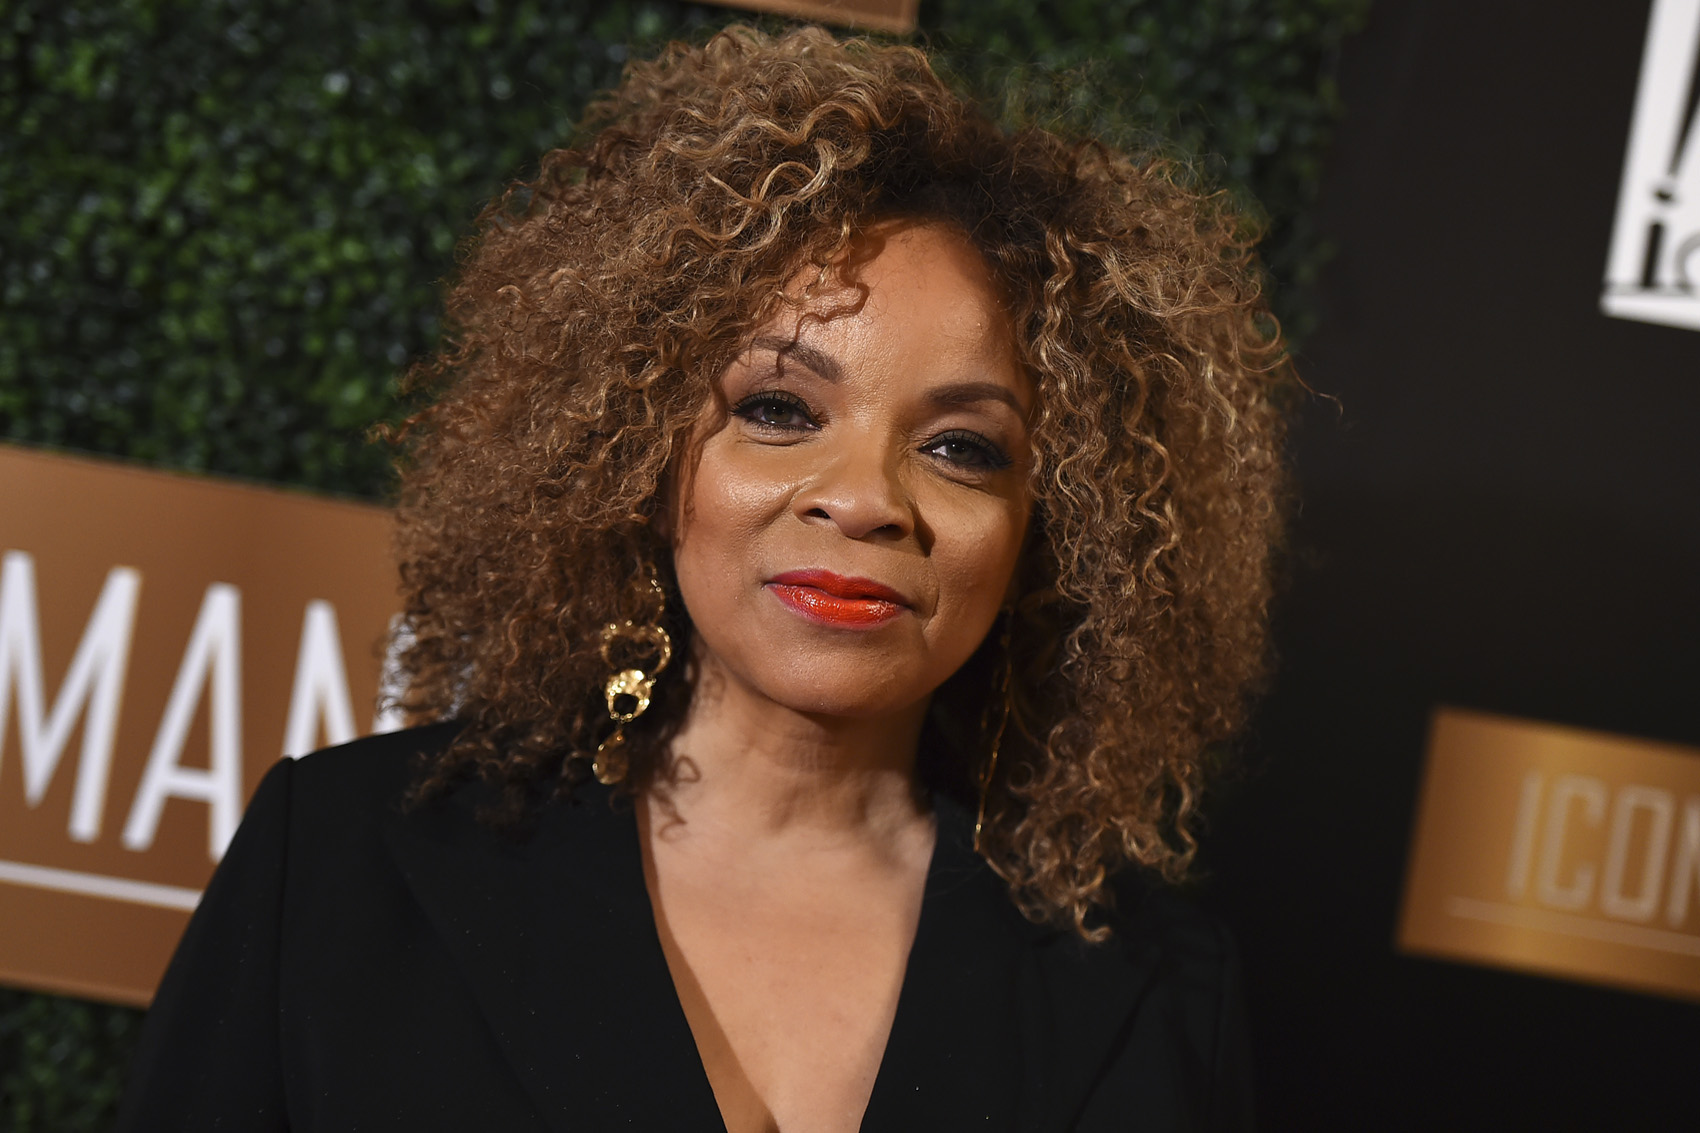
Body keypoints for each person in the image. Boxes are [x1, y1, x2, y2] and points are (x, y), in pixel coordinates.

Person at [117, 24, 1288, 1132]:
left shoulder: (1155, 989)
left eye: (962, 447)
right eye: (779, 408)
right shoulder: (338, 859)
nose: (864, 493)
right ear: (643, 453)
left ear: (1054, 528)